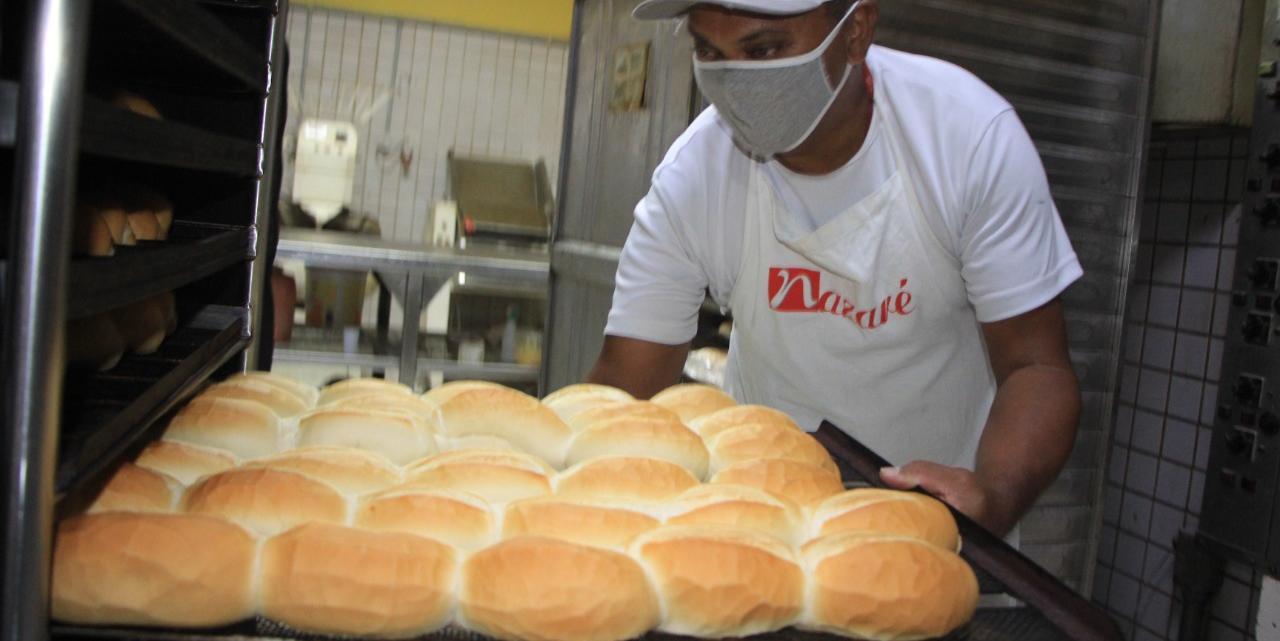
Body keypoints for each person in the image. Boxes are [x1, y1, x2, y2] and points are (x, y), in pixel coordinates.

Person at [586, 0, 1082, 537]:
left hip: (933, 532)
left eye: (764, 50)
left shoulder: (966, 140)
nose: (734, 80)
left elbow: (1036, 369)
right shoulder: (694, 178)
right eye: (709, 51)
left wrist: (992, 498)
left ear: (856, 32)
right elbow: (625, 393)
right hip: (764, 524)